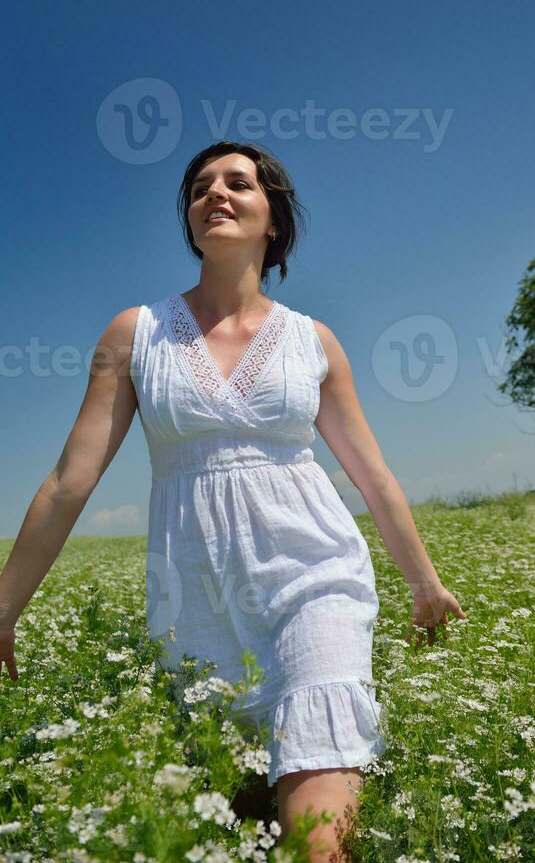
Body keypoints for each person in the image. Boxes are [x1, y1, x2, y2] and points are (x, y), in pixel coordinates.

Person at [0, 140, 467, 861]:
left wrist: (425, 583)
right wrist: (4, 608)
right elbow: (69, 482)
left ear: (272, 217)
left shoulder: (314, 341)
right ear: (189, 218)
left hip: (315, 586)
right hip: (197, 607)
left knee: (314, 843)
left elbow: (372, 476)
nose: (214, 194)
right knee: (239, 821)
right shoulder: (135, 334)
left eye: (238, 183)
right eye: (199, 188)